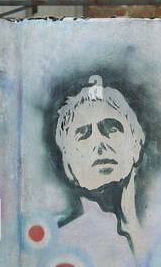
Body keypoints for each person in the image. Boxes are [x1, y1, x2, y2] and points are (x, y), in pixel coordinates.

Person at [52, 75, 147, 250]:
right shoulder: (61, 246)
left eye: (111, 128)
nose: (99, 143)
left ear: (136, 143)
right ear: (67, 164)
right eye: (83, 134)